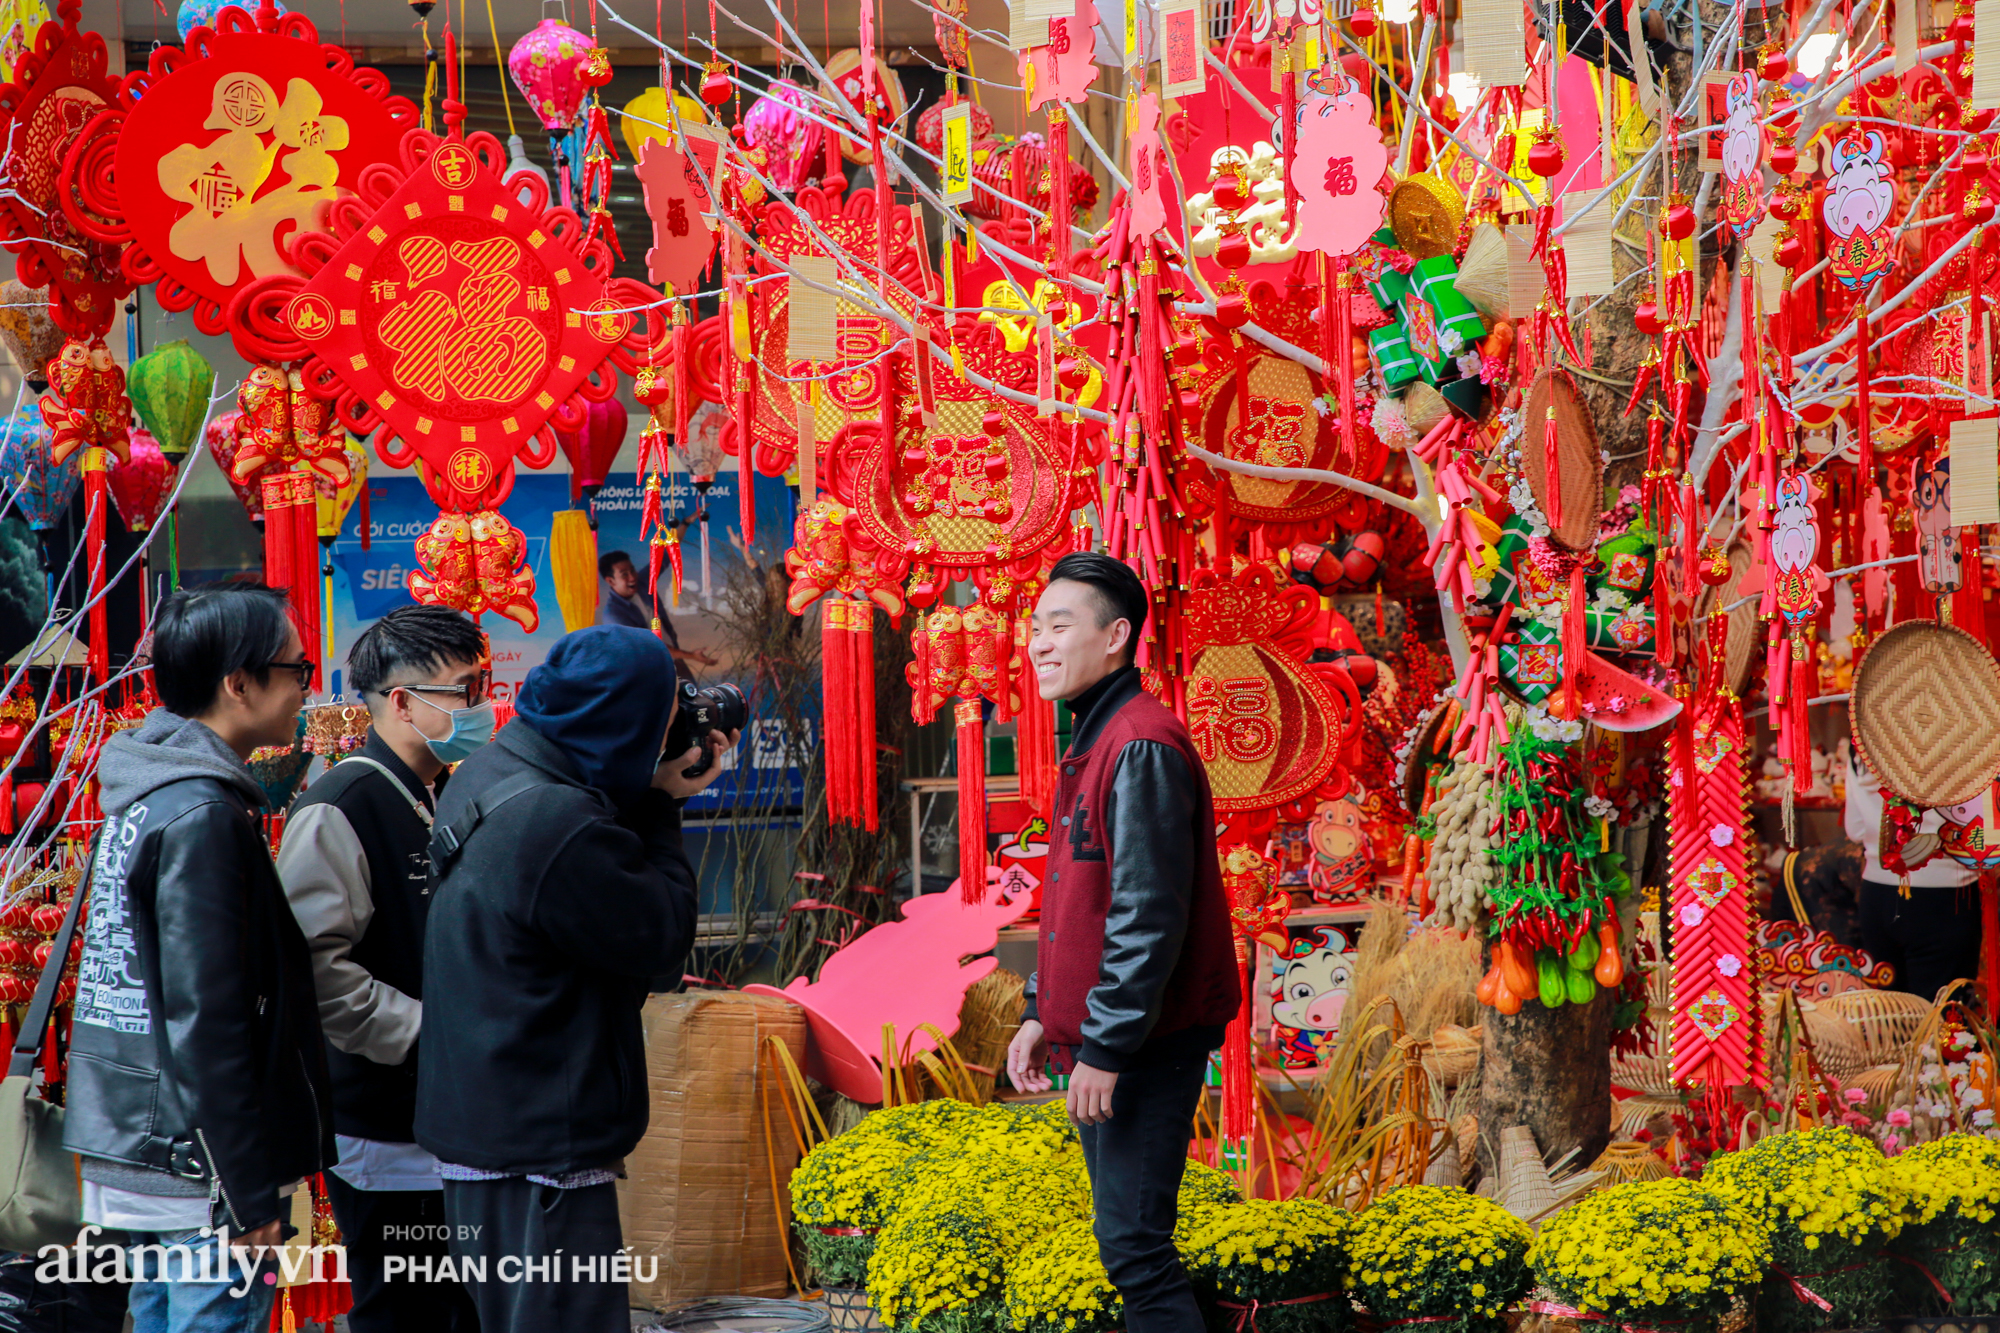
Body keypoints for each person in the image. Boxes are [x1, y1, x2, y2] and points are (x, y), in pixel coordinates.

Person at [416, 626, 734, 1333]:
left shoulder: (489, 772)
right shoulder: (556, 822)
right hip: (541, 1166)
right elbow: (660, 941)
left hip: (486, 1137)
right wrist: (659, 803)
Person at [66, 583, 334, 1333]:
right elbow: (206, 1017)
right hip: (200, 1163)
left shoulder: (144, 789)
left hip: (145, 1138)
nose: (305, 688)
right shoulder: (203, 814)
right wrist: (248, 1191)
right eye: (297, 669)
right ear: (238, 683)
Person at [1005, 551, 1239, 1333]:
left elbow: (1147, 915)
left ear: (1116, 638)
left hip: (1145, 1046)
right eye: (1035, 626)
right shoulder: (1098, 736)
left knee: (1135, 1248)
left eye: (1059, 625)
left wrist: (1102, 1046)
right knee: (1129, 1244)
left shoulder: (1138, 741)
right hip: (1116, 1042)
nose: (1038, 642)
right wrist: (1045, 1011)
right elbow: (1083, 900)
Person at [275, 606, 490, 1333]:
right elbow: (319, 974)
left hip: (442, 1109)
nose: (480, 704)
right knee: (405, 1311)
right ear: (401, 702)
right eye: (463, 689)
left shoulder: (439, 790)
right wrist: (438, 1033)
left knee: (455, 1309)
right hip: (383, 1124)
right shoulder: (340, 805)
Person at [1844, 748, 1982, 1001]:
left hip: (1878, 892)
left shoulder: (1863, 742)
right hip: (1944, 894)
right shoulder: (1967, 742)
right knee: (1942, 1017)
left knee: (1891, 1017)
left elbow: (1855, 829)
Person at [596, 548, 718, 668]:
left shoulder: (643, 583)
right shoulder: (613, 615)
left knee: (688, 687)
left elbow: (666, 553)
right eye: (624, 575)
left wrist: (683, 527)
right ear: (611, 581)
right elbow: (649, 646)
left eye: (632, 570)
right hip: (647, 669)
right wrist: (691, 656)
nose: (632, 577)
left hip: (674, 658)